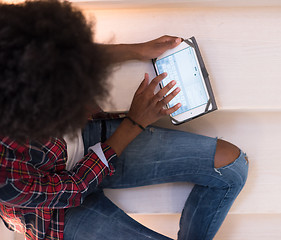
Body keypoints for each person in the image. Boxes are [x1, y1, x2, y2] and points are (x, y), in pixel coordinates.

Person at [0, 1, 249, 240]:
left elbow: (65, 55)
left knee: (230, 167)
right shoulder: (5, 177)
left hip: (86, 144)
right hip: (53, 213)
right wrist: (135, 123)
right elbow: (74, 188)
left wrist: (136, 50)